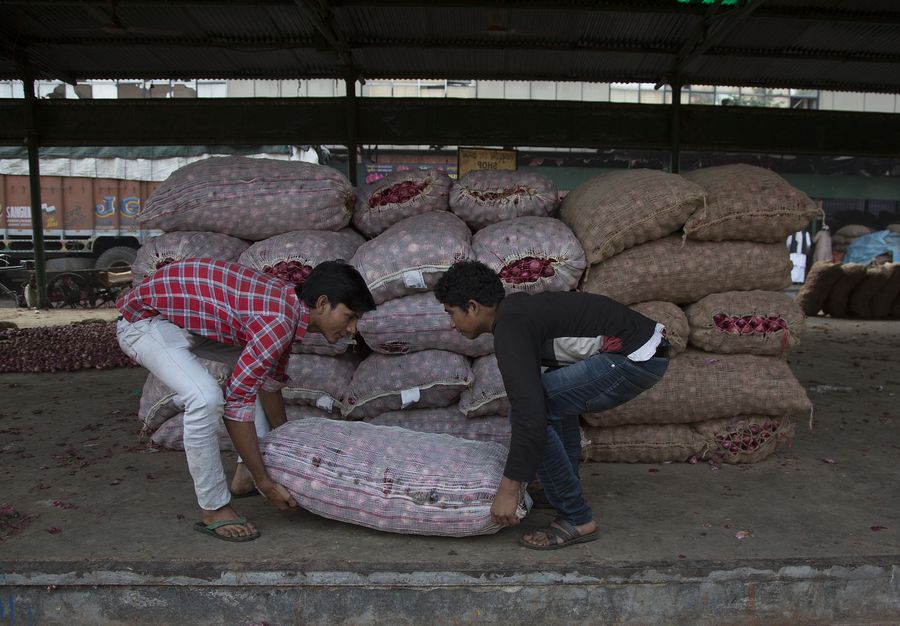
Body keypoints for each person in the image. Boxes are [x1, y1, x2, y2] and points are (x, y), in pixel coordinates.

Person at [116, 258, 376, 542]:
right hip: (145, 321)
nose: (353, 329)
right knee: (205, 398)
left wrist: (288, 448)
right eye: (350, 316)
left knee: (254, 373)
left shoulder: (288, 308)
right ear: (323, 303)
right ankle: (214, 508)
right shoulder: (278, 320)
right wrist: (266, 482)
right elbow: (237, 404)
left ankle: (244, 476)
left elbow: (268, 383)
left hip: (184, 321)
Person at [434, 261, 669, 550]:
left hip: (634, 358)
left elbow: (528, 413)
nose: (451, 324)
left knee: (533, 410)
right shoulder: (517, 314)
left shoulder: (511, 326)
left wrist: (509, 488)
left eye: (451, 313)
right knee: (547, 398)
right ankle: (560, 488)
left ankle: (576, 516)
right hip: (643, 351)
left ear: (472, 306)